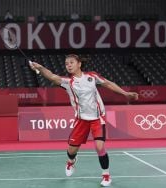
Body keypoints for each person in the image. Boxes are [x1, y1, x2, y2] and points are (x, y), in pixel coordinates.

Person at [29, 54, 138, 187]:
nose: (68, 65)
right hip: (81, 120)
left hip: (98, 118)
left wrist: (125, 94)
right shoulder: (68, 82)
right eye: (66, 63)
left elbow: (108, 84)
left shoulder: (92, 76)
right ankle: (71, 161)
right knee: (71, 151)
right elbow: (51, 76)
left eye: (71, 62)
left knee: (100, 146)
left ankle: (106, 176)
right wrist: (40, 67)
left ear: (79, 64)